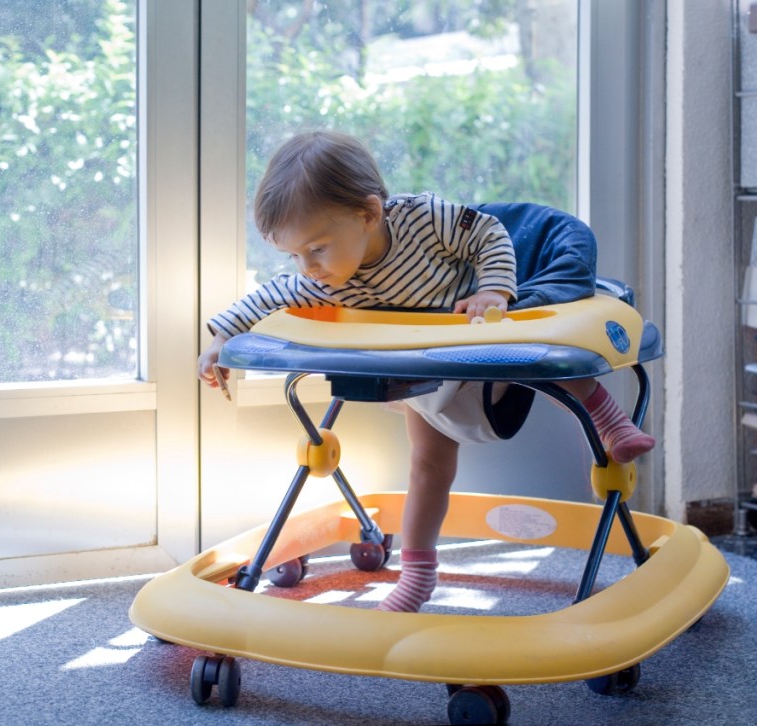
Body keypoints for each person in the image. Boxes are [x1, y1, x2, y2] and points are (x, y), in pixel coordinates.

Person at [197, 130, 655, 613]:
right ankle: (416, 578)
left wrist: (496, 291)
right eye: (293, 255)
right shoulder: (325, 282)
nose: (306, 267)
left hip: (482, 348)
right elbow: (263, 299)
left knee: (545, 353)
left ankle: (609, 421)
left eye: (316, 248)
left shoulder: (423, 220)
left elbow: (488, 232)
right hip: (423, 375)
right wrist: (219, 342)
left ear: (370, 214)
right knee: (428, 469)